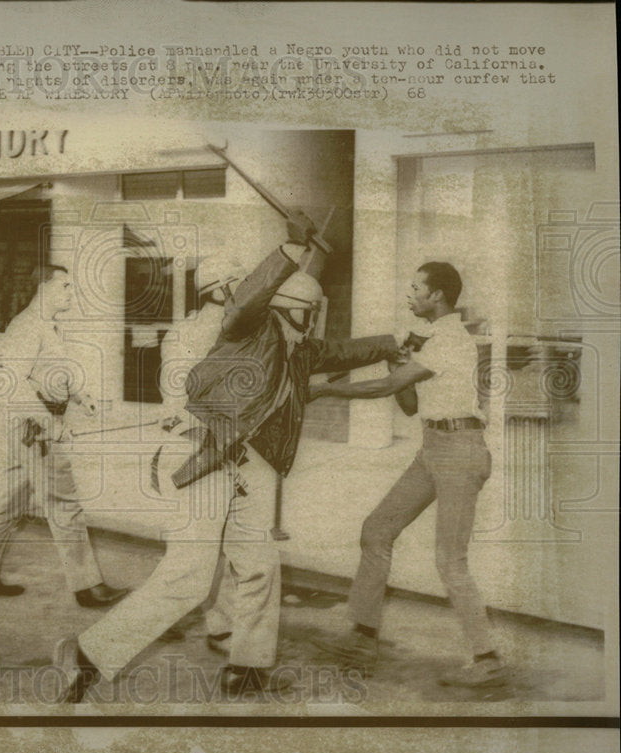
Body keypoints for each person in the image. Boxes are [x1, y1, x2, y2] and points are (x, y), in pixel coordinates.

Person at [52, 213, 402, 701]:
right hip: (204, 456)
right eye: (239, 285)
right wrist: (288, 249)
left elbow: (335, 351)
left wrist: (393, 344)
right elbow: (203, 369)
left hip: (245, 461)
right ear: (226, 290)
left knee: (258, 562)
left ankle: (249, 665)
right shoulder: (229, 328)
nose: (248, 293)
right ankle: (90, 655)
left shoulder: (282, 338)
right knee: (189, 577)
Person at [309, 261, 506, 688]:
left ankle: (486, 658)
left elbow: (384, 391)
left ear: (437, 296)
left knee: (450, 562)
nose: (409, 294)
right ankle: (362, 639)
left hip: (460, 451)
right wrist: (395, 368)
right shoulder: (432, 343)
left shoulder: (449, 340)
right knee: (377, 530)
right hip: (433, 449)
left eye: (416, 287)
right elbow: (411, 405)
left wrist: (324, 388)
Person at [0, 264, 127, 607]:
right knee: (65, 504)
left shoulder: (46, 327)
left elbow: (49, 373)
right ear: (44, 287)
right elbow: (14, 385)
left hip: (30, 428)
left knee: (7, 502)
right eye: (65, 285)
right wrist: (50, 425)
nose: (71, 292)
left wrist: (80, 396)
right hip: (35, 429)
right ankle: (88, 586)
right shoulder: (27, 326)